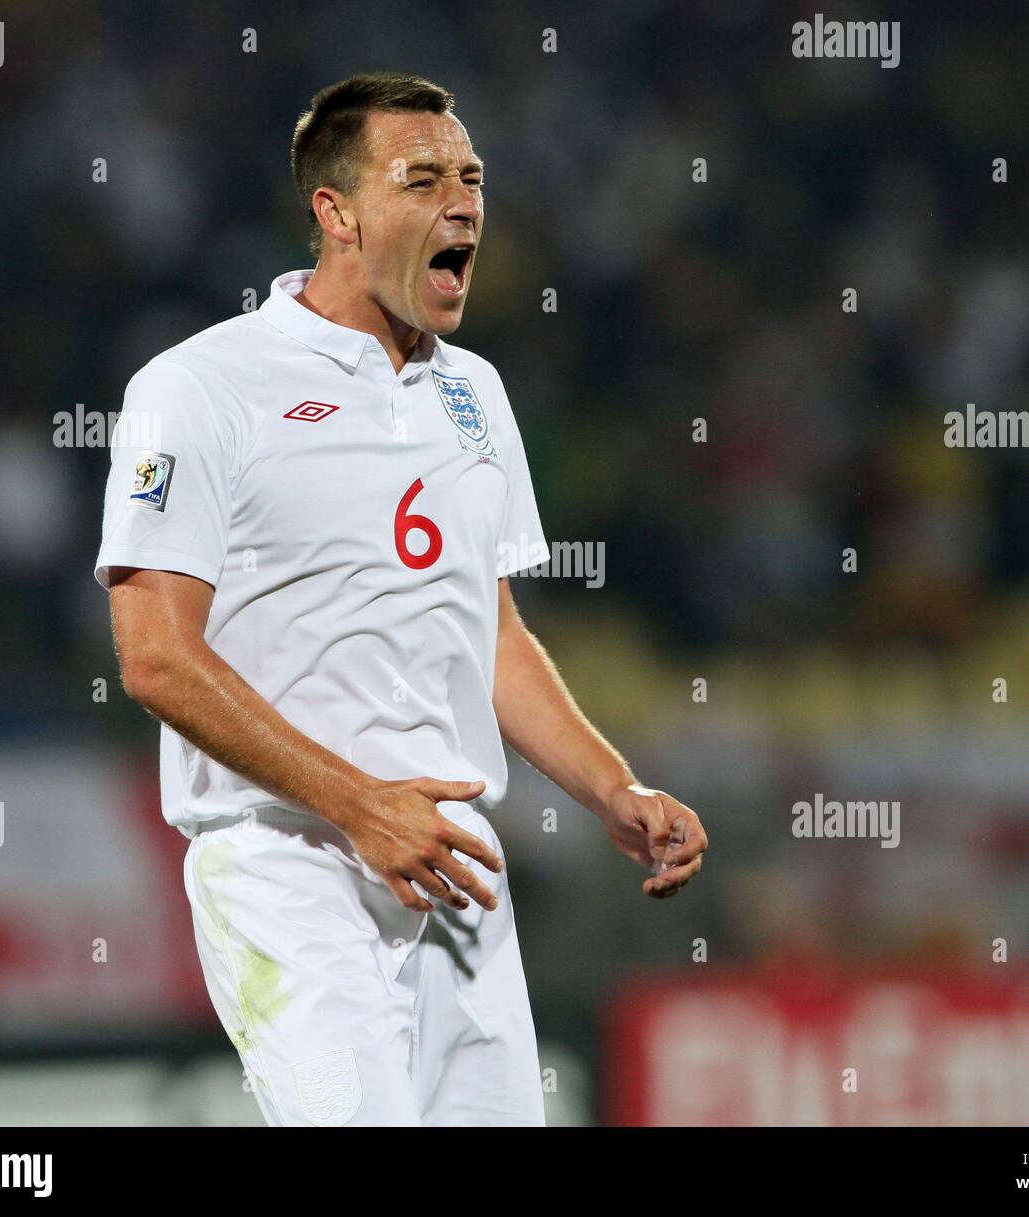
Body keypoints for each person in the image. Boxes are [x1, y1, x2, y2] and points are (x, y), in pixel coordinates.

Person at [96, 73, 708, 1126]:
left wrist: (612, 788)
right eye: (421, 178)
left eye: (470, 178)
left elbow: (493, 633)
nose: (462, 202)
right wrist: (359, 804)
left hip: (455, 868)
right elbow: (153, 655)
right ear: (336, 212)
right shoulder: (200, 388)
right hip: (287, 863)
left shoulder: (475, 391)